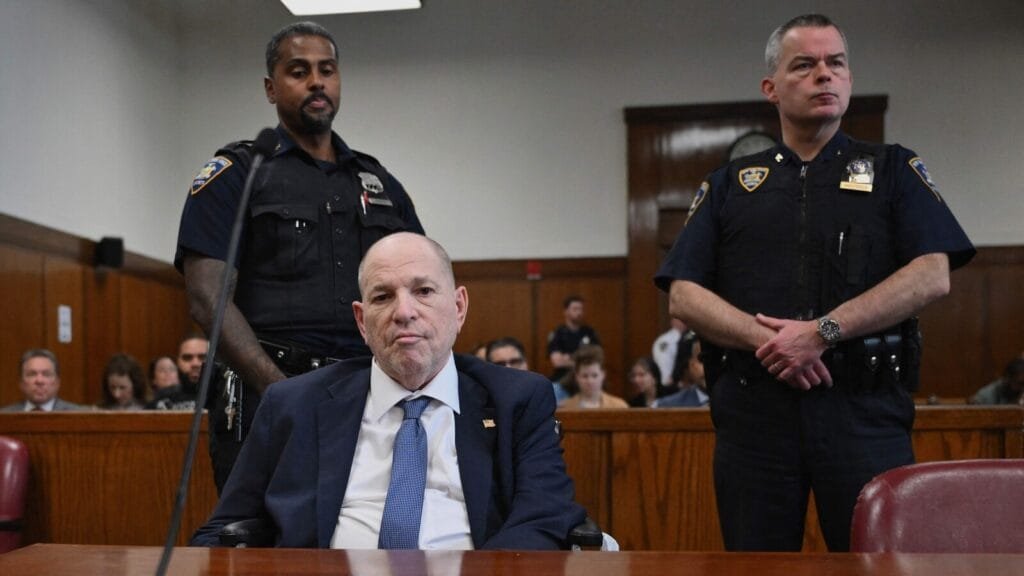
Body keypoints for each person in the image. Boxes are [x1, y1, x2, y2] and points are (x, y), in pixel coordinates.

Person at [654, 14, 975, 552]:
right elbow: (683, 294)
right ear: (771, 88)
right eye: (804, 65)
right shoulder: (730, 185)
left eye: (836, 63)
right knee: (755, 566)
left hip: (864, 414)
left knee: (876, 563)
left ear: (849, 79)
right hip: (755, 418)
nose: (824, 74)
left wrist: (822, 332)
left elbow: (932, 274)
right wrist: (775, 342)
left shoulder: (893, 169)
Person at [190, 232, 584, 549]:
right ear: (362, 322)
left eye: (423, 291)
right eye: (383, 296)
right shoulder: (294, 403)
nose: (404, 312)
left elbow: (544, 518)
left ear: (459, 307)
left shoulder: (517, 399)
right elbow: (223, 532)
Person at [174, 21, 424, 493]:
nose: (316, 82)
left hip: (367, 390)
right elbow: (207, 299)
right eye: (298, 71)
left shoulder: (376, 181)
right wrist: (278, 388)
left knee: (365, 523)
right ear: (271, 88)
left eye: (327, 70)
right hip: (265, 391)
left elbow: (421, 286)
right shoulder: (238, 173)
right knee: (267, 532)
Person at [486, 336, 570, 403]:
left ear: (525, 363)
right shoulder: (482, 401)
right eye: (500, 364)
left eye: (515, 362)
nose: (508, 368)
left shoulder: (549, 393)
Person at [1, 349, 84, 412]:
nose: (39, 381)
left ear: (57, 382)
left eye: (46, 374)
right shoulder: (4, 416)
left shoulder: (78, 415)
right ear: (21, 383)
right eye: (32, 374)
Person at [547, 296, 600, 381]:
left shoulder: (590, 333)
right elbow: (557, 362)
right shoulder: (558, 333)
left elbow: (597, 359)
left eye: (581, 309)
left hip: (586, 379)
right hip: (563, 378)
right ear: (566, 311)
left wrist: (568, 358)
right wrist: (583, 360)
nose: (579, 312)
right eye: (575, 309)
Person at [147, 334, 207, 411]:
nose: (195, 364)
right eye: (187, 358)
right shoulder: (161, 402)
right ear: (177, 362)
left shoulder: (222, 399)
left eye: (202, 357)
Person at [559, 345, 628, 410]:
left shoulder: (619, 406)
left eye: (595, 375)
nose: (590, 381)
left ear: (603, 374)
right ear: (576, 376)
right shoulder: (564, 408)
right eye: (585, 376)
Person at [656, 336, 708, 407]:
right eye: (703, 360)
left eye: (716, 360)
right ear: (691, 365)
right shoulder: (668, 407)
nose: (709, 368)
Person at [652, 318, 689, 386]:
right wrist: (669, 380)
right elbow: (663, 362)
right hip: (672, 383)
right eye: (679, 319)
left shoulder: (689, 336)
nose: (684, 322)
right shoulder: (666, 340)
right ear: (672, 321)